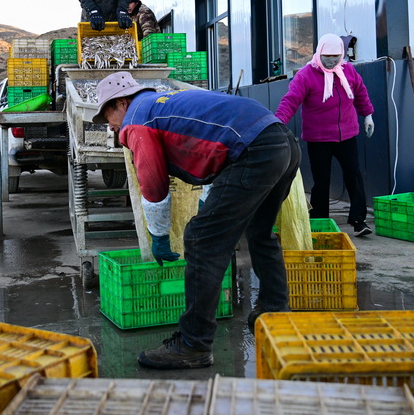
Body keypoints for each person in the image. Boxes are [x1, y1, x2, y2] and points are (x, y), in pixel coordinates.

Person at [92, 71, 300, 369]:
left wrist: (160, 235)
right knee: (260, 231)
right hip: (281, 141)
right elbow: (213, 156)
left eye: (108, 115)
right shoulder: (165, 104)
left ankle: (193, 344)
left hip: (255, 150)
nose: (111, 126)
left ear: (122, 102)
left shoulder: (137, 119)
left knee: (201, 242)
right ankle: (274, 310)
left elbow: (152, 183)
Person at [275, 33, 375, 237]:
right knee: (322, 180)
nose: (331, 60)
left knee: (354, 175)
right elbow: (291, 100)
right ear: (319, 53)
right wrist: (277, 123)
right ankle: (320, 219)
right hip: (318, 138)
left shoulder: (348, 72)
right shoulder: (306, 75)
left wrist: (368, 115)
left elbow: (360, 92)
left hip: (346, 134)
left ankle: (359, 220)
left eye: (336, 56)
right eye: (327, 56)